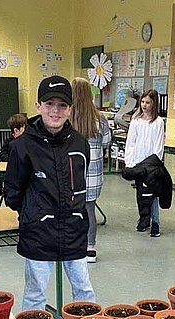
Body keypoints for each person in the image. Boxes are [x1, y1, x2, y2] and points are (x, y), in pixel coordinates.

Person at [4, 75, 96, 311]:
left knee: (84, 291)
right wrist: (33, 214)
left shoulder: (80, 143)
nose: (55, 111)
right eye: (49, 104)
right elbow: (12, 192)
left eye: (62, 105)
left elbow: (81, 187)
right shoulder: (22, 146)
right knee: (35, 294)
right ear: (38, 106)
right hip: (38, 233)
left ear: (70, 109)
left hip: (74, 231)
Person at [69, 77, 111, 263]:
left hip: (71, 173)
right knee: (89, 210)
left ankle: (72, 245)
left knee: (70, 210)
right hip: (93, 175)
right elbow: (107, 142)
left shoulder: (67, 117)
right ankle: (90, 248)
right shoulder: (99, 119)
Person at [124, 88, 165, 236]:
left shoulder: (158, 122)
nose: (144, 105)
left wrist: (153, 163)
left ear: (154, 104)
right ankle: (143, 219)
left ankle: (155, 223)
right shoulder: (136, 121)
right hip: (138, 164)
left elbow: (158, 146)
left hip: (152, 166)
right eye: (143, 102)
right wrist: (129, 162)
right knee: (141, 193)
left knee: (152, 194)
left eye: (148, 102)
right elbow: (131, 142)